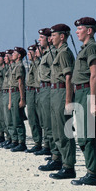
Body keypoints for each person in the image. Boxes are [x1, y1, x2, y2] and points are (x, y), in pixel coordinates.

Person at [38, 23, 77, 180]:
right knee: (55, 128)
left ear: (62, 36)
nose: (51, 38)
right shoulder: (58, 52)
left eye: (54, 35)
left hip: (61, 92)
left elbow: (69, 77)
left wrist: (68, 100)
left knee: (63, 130)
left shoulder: (65, 53)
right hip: (55, 91)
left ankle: (68, 166)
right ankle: (57, 159)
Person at [71, 17, 96, 186]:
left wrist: (92, 100)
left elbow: (94, 75)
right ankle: (90, 171)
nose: (77, 31)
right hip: (81, 92)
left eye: (80, 29)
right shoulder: (84, 48)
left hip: (87, 93)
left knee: (88, 134)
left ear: (89, 31)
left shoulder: (92, 48)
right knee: (84, 134)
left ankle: (93, 173)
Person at [35, 28, 55, 157]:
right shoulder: (47, 54)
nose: (39, 40)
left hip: (49, 88)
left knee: (49, 122)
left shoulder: (53, 53)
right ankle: (49, 148)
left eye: (41, 38)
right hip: (43, 89)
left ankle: (53, 151)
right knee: (44, 120)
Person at [7, 47, 27, 152]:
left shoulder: (19, 67)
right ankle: (17, 141)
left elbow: (21, 83)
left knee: (18, 119)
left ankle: (22, 142)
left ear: (19, 55)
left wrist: (22, 99)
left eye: (14, 53)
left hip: (17, 93)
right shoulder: (14, 66)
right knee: (15, 119)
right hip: (13, 92)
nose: (12, 54)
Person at [25, 44, 43, 153]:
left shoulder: (38, 64)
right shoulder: (33, 64)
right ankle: (37, 142)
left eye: (30, 52)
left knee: (39, 119)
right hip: (31, 91)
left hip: (37, 91)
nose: (28, 55)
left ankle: (43, 143)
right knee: (32, 118)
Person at [1, 49, 15, 148]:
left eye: (7, 56)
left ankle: (14, 139)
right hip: (6, 92)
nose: (4, 58)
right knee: (6, 118)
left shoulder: (14, 67)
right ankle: (10, 138)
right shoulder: (9, 67)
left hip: (11, 92)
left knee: (11, 119)